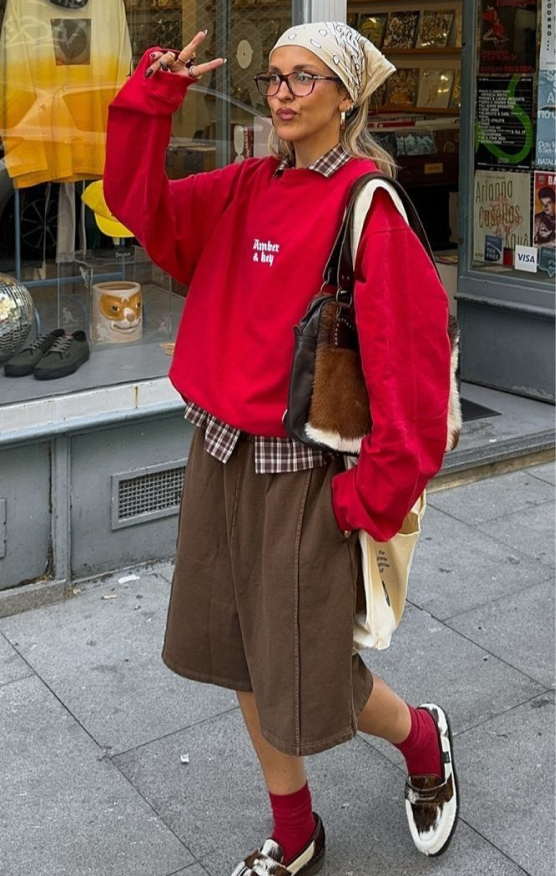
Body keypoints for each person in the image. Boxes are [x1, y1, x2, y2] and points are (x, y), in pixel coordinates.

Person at [104, 22, 458, 876]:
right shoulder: (246, 185)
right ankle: (295, 831)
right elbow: (136, 207)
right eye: (275, 77)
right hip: (219, 450)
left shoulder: (368, 208)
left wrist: (365, 498)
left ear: (347, 97)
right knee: (238, 650)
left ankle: (421, 740)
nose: (284, 93)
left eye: (307, 78)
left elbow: (412, 377)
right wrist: (150, 102)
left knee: (310, 669)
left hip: (303, 471)